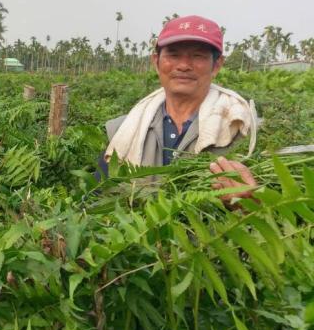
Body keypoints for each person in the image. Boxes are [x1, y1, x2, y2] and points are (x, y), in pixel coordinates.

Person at [103, 15, 258, 199]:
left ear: (216, 65)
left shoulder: (242, 129)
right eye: (173, 55)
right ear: (156, 62)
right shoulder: (122, 131)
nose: (184, 65)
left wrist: (252, 204)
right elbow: (100, 197)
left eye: (198, 56)